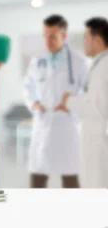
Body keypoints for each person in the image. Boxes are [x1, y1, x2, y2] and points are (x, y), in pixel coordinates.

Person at [23, 15, 88, 188]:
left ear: (64, 36)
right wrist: (33, 103)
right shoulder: (37, 60)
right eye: (45, 36)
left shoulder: (79, 61)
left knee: (70, 180)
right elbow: (28, 87)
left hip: (67, 125)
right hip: (43, 124)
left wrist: (72, 104)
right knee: (37, 179)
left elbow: (87, 92)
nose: (47, 41)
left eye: (52, 36)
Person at [56, 17, 108, 188]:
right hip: (95, 139)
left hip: (99, 142)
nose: (83, 42)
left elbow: (97, 108)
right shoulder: (99, 64)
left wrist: (68, 100)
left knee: (97, 188)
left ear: (98, 40)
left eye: (86, 38)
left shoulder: (103, 68)